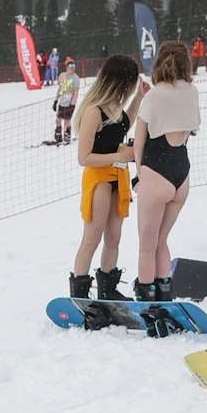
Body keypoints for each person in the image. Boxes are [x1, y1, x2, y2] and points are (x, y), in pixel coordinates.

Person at [67, 55, 144, 301]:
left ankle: (108, 290)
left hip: (118, 177)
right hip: (99, 179)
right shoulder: (94, 111)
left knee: (114, 236)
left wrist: (139, 98)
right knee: (92, 238)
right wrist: (119, 155)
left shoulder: (116, 109)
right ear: (119, 82)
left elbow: (123, 126)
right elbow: (84, 157)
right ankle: (80, 294)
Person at [131, 41, 198, 303]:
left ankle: (147, 298)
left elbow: (139, 142)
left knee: (147, 245)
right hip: (181, 172)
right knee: (162, 240)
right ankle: (165, 294)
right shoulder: (192, 92)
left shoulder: (153, 95)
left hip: (156, 170)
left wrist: (140, 175)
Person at [52, 59, 80, 146]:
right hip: (62, 102)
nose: (72, 67)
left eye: (73, 66)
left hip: (70, 102)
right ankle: (58, 136)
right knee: (58, 120)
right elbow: (60, 89)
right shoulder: (62, 76)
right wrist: (56, 100)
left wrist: (72, 103)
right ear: (66, 66)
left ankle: (67, 137)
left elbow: (76, 92)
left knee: (67, 121)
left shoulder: (76, 78)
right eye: (70, 66)